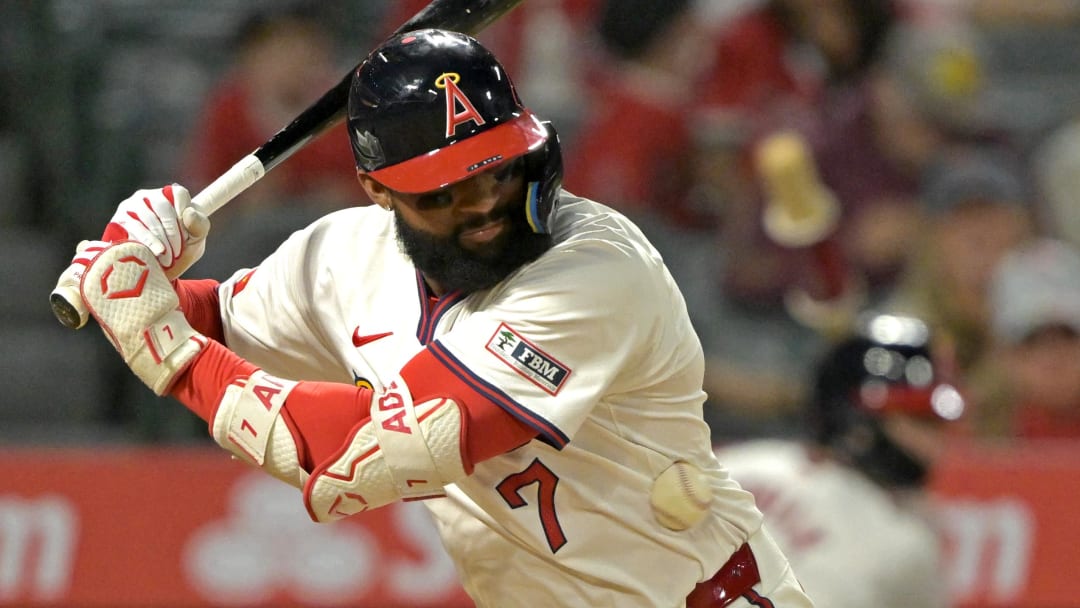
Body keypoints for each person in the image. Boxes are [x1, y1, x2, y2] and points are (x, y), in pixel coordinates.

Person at [62, 29, 814, 607]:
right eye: (442, 191)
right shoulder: (340, 255)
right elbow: (207, 323)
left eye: (495, 170)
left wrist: (165, 346)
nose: (483, 207)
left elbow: (364, 453)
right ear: (377, 191)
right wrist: (137, 279)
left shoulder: (596, 271)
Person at [715, 312, 966, 607]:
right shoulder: (903, 542)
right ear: (859, 423)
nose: (936, 443)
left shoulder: (726, 465)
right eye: (920, 421)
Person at [963, 238, 1080, 439]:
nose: (1053, 358)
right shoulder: (971, 437)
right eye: (1031, 341)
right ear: (1002, 354)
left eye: (1068, 335)